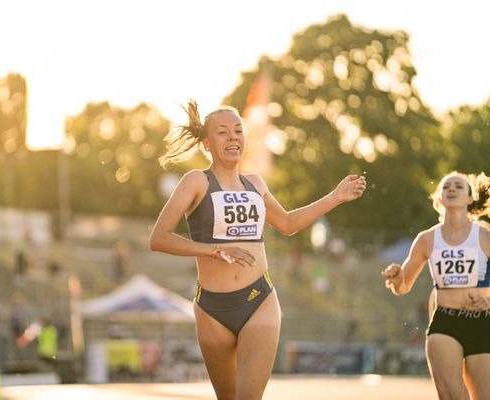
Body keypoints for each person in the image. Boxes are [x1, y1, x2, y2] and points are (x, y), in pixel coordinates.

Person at [149, 100, 366, 399]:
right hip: (212, 309)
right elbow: (159, 238)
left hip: (258, 301)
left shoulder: (255, 184)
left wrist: (336, 197)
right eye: (223, 132)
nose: (233, 137)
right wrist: (212, 250)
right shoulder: (196, 181)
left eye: (238, 130)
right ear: (206, 143)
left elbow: (288, 223)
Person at [381, 171, 490, 400]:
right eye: (446, 186)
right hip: (445, 323)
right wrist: (396, 277)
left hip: (483, 323)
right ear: (439, 198)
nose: (452, 189)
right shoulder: (427, 239)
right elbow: (403, 286)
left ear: (470, 198)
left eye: (459, 186)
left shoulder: (484, 237)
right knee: (451, 396)